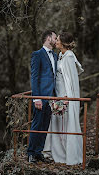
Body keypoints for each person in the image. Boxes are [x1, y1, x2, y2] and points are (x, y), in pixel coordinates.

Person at [44, 32, 84, 165]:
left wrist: (67, 97)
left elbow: (71, 80)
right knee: (57, 124)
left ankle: (69, 155)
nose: (56, 42)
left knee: (66, 124)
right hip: (58, 94)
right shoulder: (60, 55)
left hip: (65, 96)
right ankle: (58, 153)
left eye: (58, 40)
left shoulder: (69, 57)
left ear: (63, 43)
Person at [27, 30, 58, 163]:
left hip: (51, 98)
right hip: (41, 96)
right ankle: (31, 153)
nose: (56, 41)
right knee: (37, 124)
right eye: (55, 38)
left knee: (45, 125)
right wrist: (36, 98)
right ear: (48, 38)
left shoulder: (56, 56)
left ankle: (39, 152)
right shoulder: (37, 55)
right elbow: (34, 78)